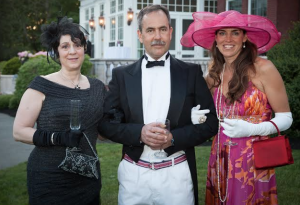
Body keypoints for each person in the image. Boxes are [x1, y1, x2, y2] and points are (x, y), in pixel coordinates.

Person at [97, 5, 218, 205]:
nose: (157, 36)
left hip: (177, 175)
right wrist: (139, 133)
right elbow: (106, 123)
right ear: (140, 34)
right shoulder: (121, 75)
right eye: (150, 30)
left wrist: (173, 138)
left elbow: (211, 123)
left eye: (163, 29)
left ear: (170, 32)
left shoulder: (191, 73)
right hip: (134, 175)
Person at [181, 10, 293, 204]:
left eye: (235, 32)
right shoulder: (213, 73)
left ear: (245, 37)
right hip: (219, 157)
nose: (228, 38)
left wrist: (254, 129)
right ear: (215, 39)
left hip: (254, 160)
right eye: (222, 33)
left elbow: (286, 117)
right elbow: (203, 111)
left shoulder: (264, 69)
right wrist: (194, 115)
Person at [13, 17, 106, 205]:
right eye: (65, 46)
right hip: (49, 178)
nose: (72, 51)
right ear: (56, 51)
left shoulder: (97, 87)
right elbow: (19, 131)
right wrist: (58, 138)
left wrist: (113, 123)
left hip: (87, 176)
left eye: (77, 45)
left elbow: (100, 133)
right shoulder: (41, 86)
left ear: (84, 48)